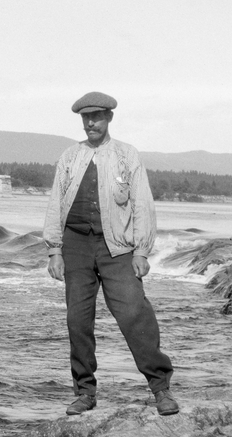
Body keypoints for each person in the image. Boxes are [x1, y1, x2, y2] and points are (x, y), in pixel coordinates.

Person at [43, 91, 178, 416]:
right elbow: (55, 205)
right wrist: (54, 250)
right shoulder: (69, 157)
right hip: (75, 247)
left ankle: (160, 389)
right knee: (77, 320)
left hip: (117, 247)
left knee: (134, 314)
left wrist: (141, 251)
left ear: (109, 118)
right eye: (86, 118)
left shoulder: (126, 155)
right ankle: (85, 393)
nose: (91, 123)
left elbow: (142, 205)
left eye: (97, 117)